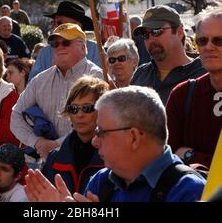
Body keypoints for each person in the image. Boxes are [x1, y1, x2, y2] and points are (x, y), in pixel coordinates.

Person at [25, 86, 205, 203]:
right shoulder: (102, 181)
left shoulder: (189, 191)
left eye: (101, 132)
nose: (95, 142)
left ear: (134, 137)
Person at [11, 23, 104, 160]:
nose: (60, 47)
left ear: (83, 48)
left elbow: (100, 120)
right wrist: (37, 142)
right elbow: (16, 115)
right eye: (55, 43)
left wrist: (56, 144)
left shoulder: (97, 76)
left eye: (66, 42)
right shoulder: (41, 80)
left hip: (88, 159)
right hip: (49, 162)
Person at [166, 5, 222, 169]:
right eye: (202, 41)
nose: (208, 47)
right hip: (194, 194)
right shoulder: (182, 94)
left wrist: (191, 156)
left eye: (219, 40)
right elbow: (167, 157)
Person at [42, 76, 108, 194]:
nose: (79, 114)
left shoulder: (114, 159)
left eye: (87, 108)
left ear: (103, 110)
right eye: (74, 108)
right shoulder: (54, 158)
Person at [130, 5, 206, 104]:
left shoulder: (205, 73)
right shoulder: (141, 74)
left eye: (156, 31)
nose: (151, 39)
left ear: (179, 32)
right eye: (145, 34)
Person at [28, 1, 100, 81]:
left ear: (77, 26)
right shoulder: (45, 52)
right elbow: (33, 83)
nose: (55, 27)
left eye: (59, 23)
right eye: (53, 22)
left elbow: (100, 83)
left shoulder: (96, 49)